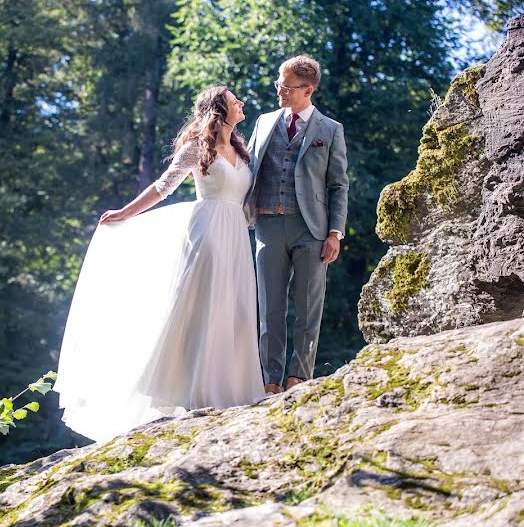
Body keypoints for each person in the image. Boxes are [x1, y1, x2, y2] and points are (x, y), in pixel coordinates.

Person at [53, 85, 266, 443]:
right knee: (206, 308)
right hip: (207, 234)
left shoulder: (243, 152)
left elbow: (248, 201)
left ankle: (233, 389)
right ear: (219, 109)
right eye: (234, 100)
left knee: (237, 309)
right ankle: (196, 392)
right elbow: (162, 187)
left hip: (236, 238)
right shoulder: (198, 148)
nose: (241, 103)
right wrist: (124, 212)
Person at [244, 56, 349, 395]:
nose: (280, 90)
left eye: (287, 87)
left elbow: (338, 184)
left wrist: (335, 232)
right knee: (269, 308)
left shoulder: (330, 129)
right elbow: (245, 166)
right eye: (279, 83)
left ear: (308, 90)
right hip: (268, 226)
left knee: (307, 307)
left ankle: (298, 377)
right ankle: (269, 380)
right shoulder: (263, 122)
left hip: (312, 228)